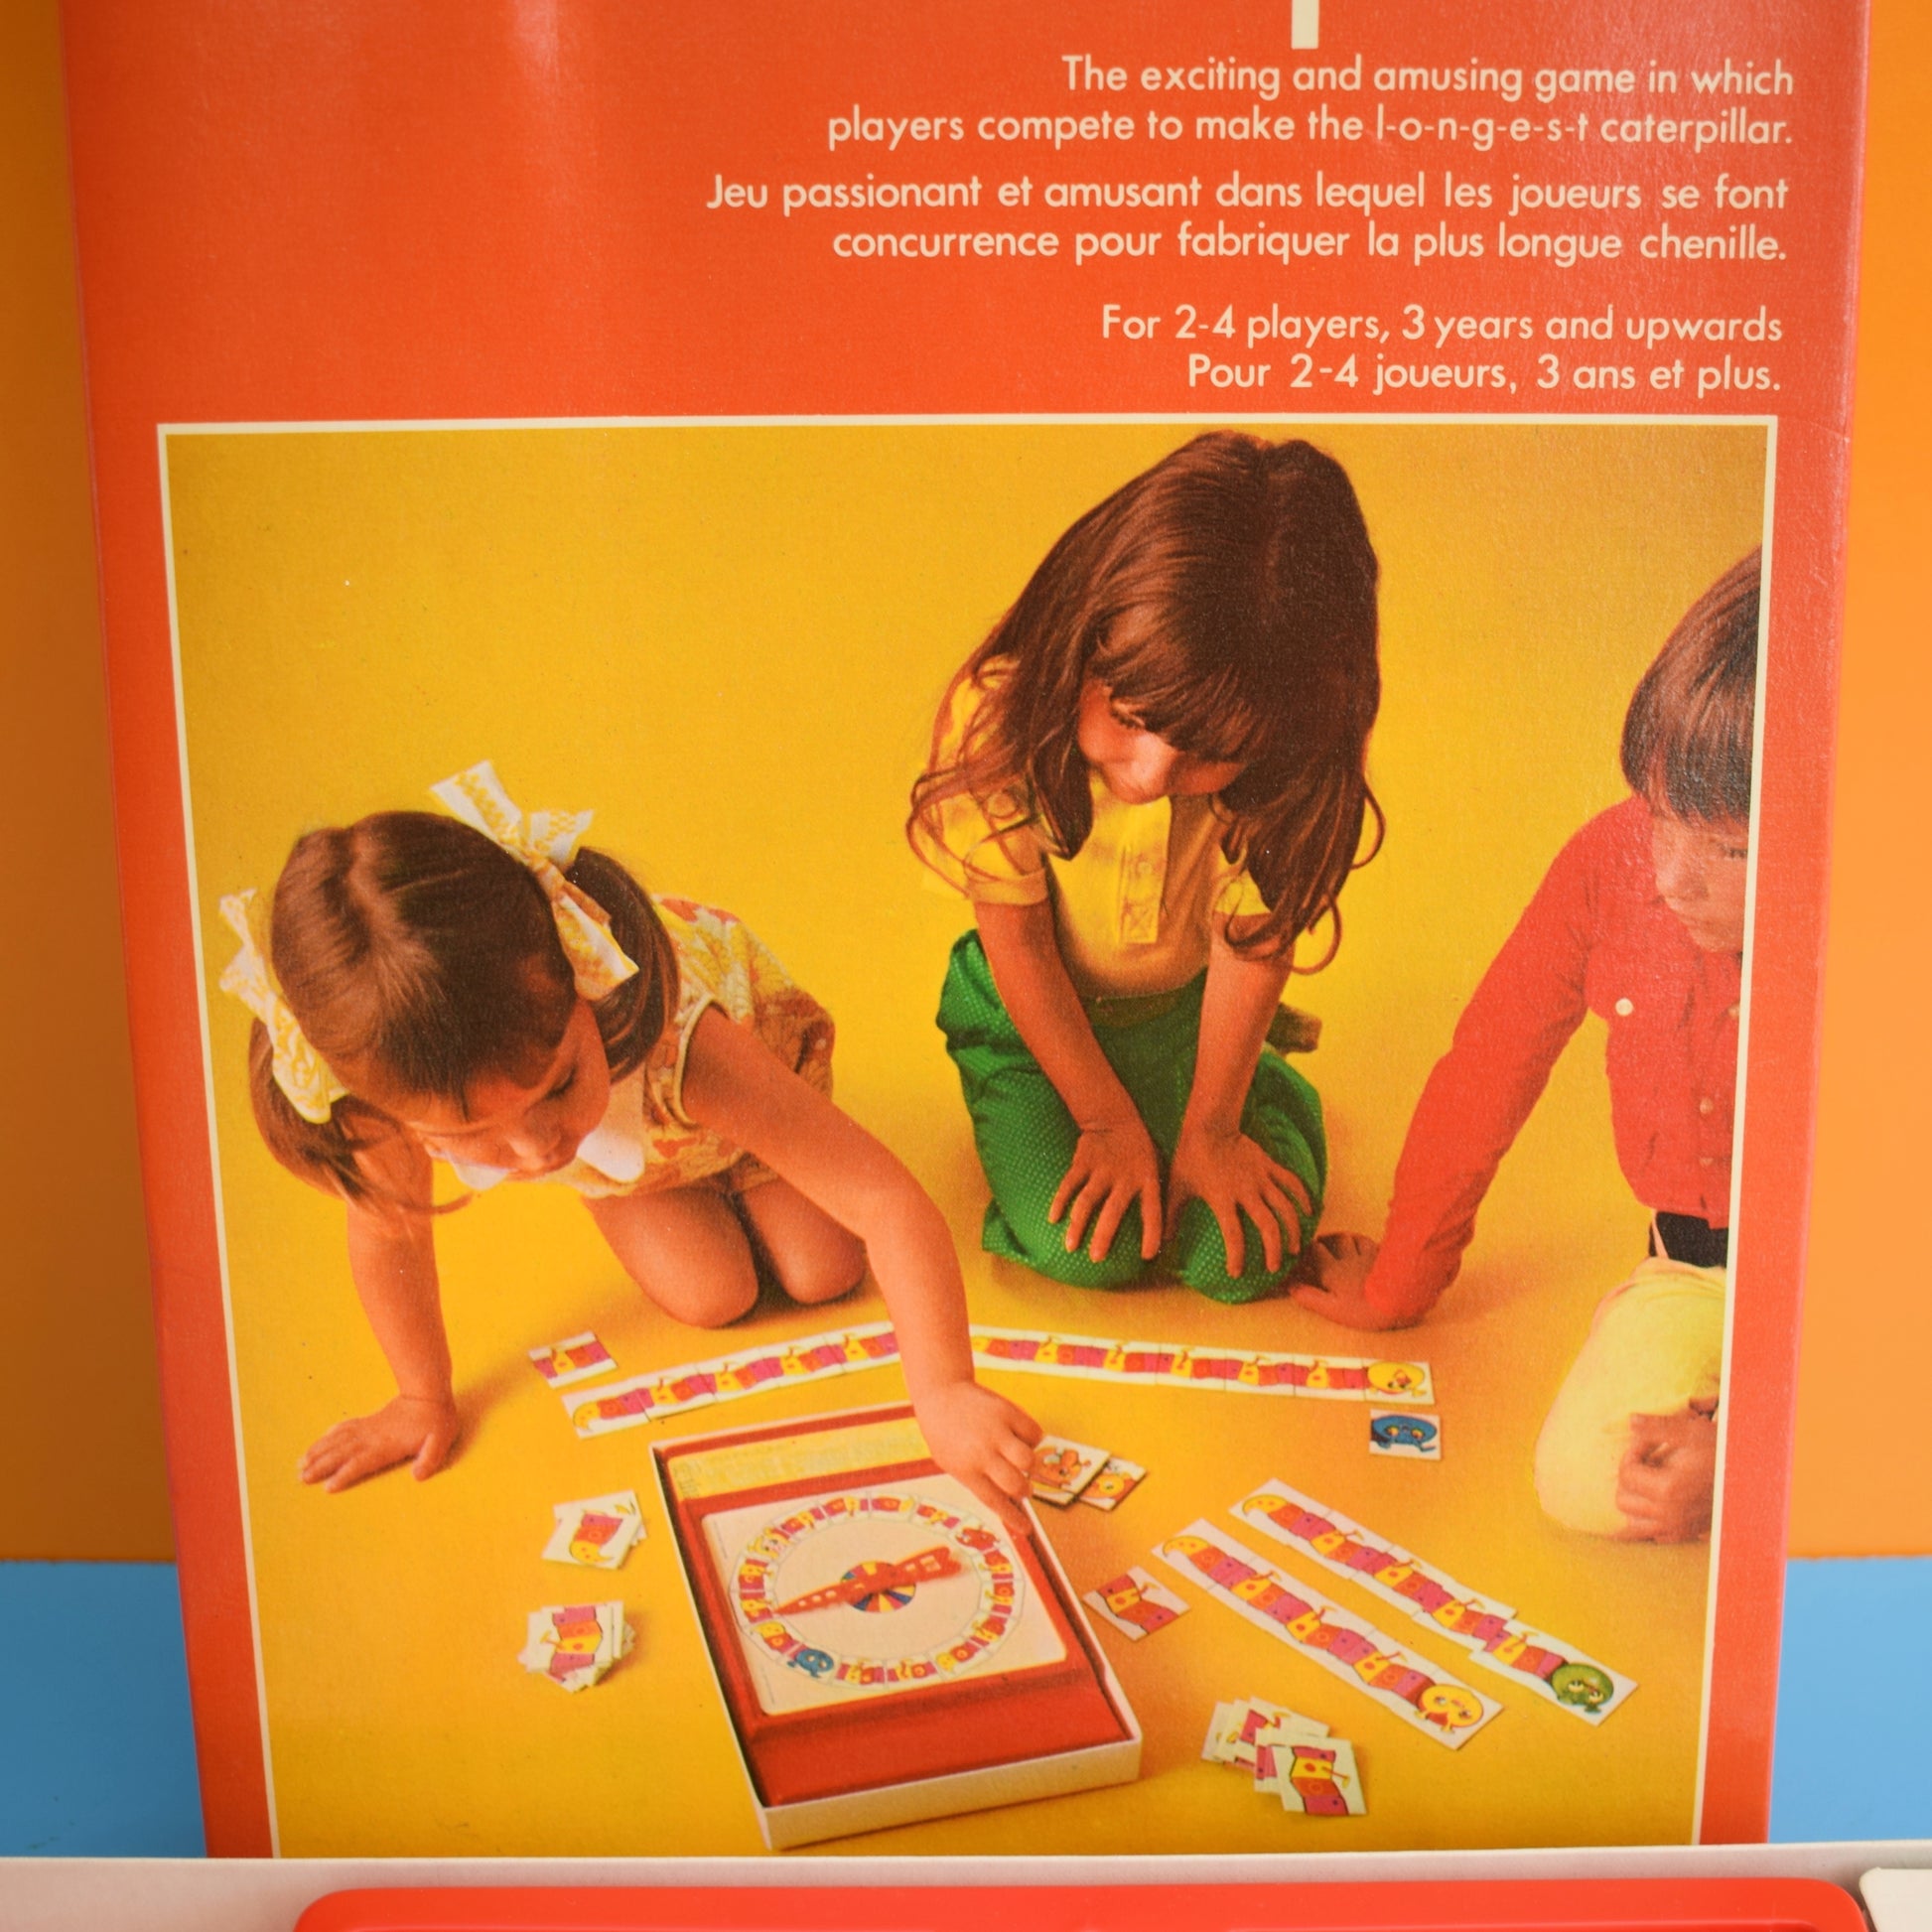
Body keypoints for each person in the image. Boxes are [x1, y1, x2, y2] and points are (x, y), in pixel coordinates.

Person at [221, 759, 1040, 1525]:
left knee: (822, 1270)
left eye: (556, 1086)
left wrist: (943, 1390)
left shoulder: (688, 1043)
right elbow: (388, 1238)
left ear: (581, 982)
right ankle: (622, 1160)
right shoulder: (383, 1099)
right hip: (644, 1160)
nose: (538, 1151)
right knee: (713, 1297)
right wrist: (420, 1399)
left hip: (736, 1095)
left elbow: (885, 1201)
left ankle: (720, 1158)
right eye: (474, 1139)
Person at [1297, 553, 1761, 1543]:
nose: (1671, 877)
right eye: (1661, 816)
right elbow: (1488, 1064)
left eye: (1728, 848)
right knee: (1589, 1482)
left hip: (1870, 1304)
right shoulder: (1608, 861)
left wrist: (1747, 1448)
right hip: (1696, 1272)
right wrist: (1402, 1276)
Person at [909, 432, 1382, 1301]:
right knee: (1087, 1250)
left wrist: (1214, 1131)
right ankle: (1096, 1111)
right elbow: (1018, 941)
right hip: (1026, 1015)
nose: (1153, 775)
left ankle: (1261, 1084)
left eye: (1209, 751)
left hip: (1189, 1017)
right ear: (1083, 637)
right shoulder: (999, 717)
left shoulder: (1283, 770)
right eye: (1129, 718)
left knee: (1238, 1263)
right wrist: (1103, 1120)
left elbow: (1250, 945)